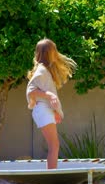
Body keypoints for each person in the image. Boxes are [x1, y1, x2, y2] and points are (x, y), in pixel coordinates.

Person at [26, 38, 77, 169]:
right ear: (50, 52)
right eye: (54, 50)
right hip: (43, 109)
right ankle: (52, 177)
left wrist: (55, 111)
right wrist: (48, 95)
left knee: (54, 146)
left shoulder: (43, 70)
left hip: (44, 110)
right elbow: (31, 91)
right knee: (54, 146)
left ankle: (52, 175)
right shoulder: (42, 70)